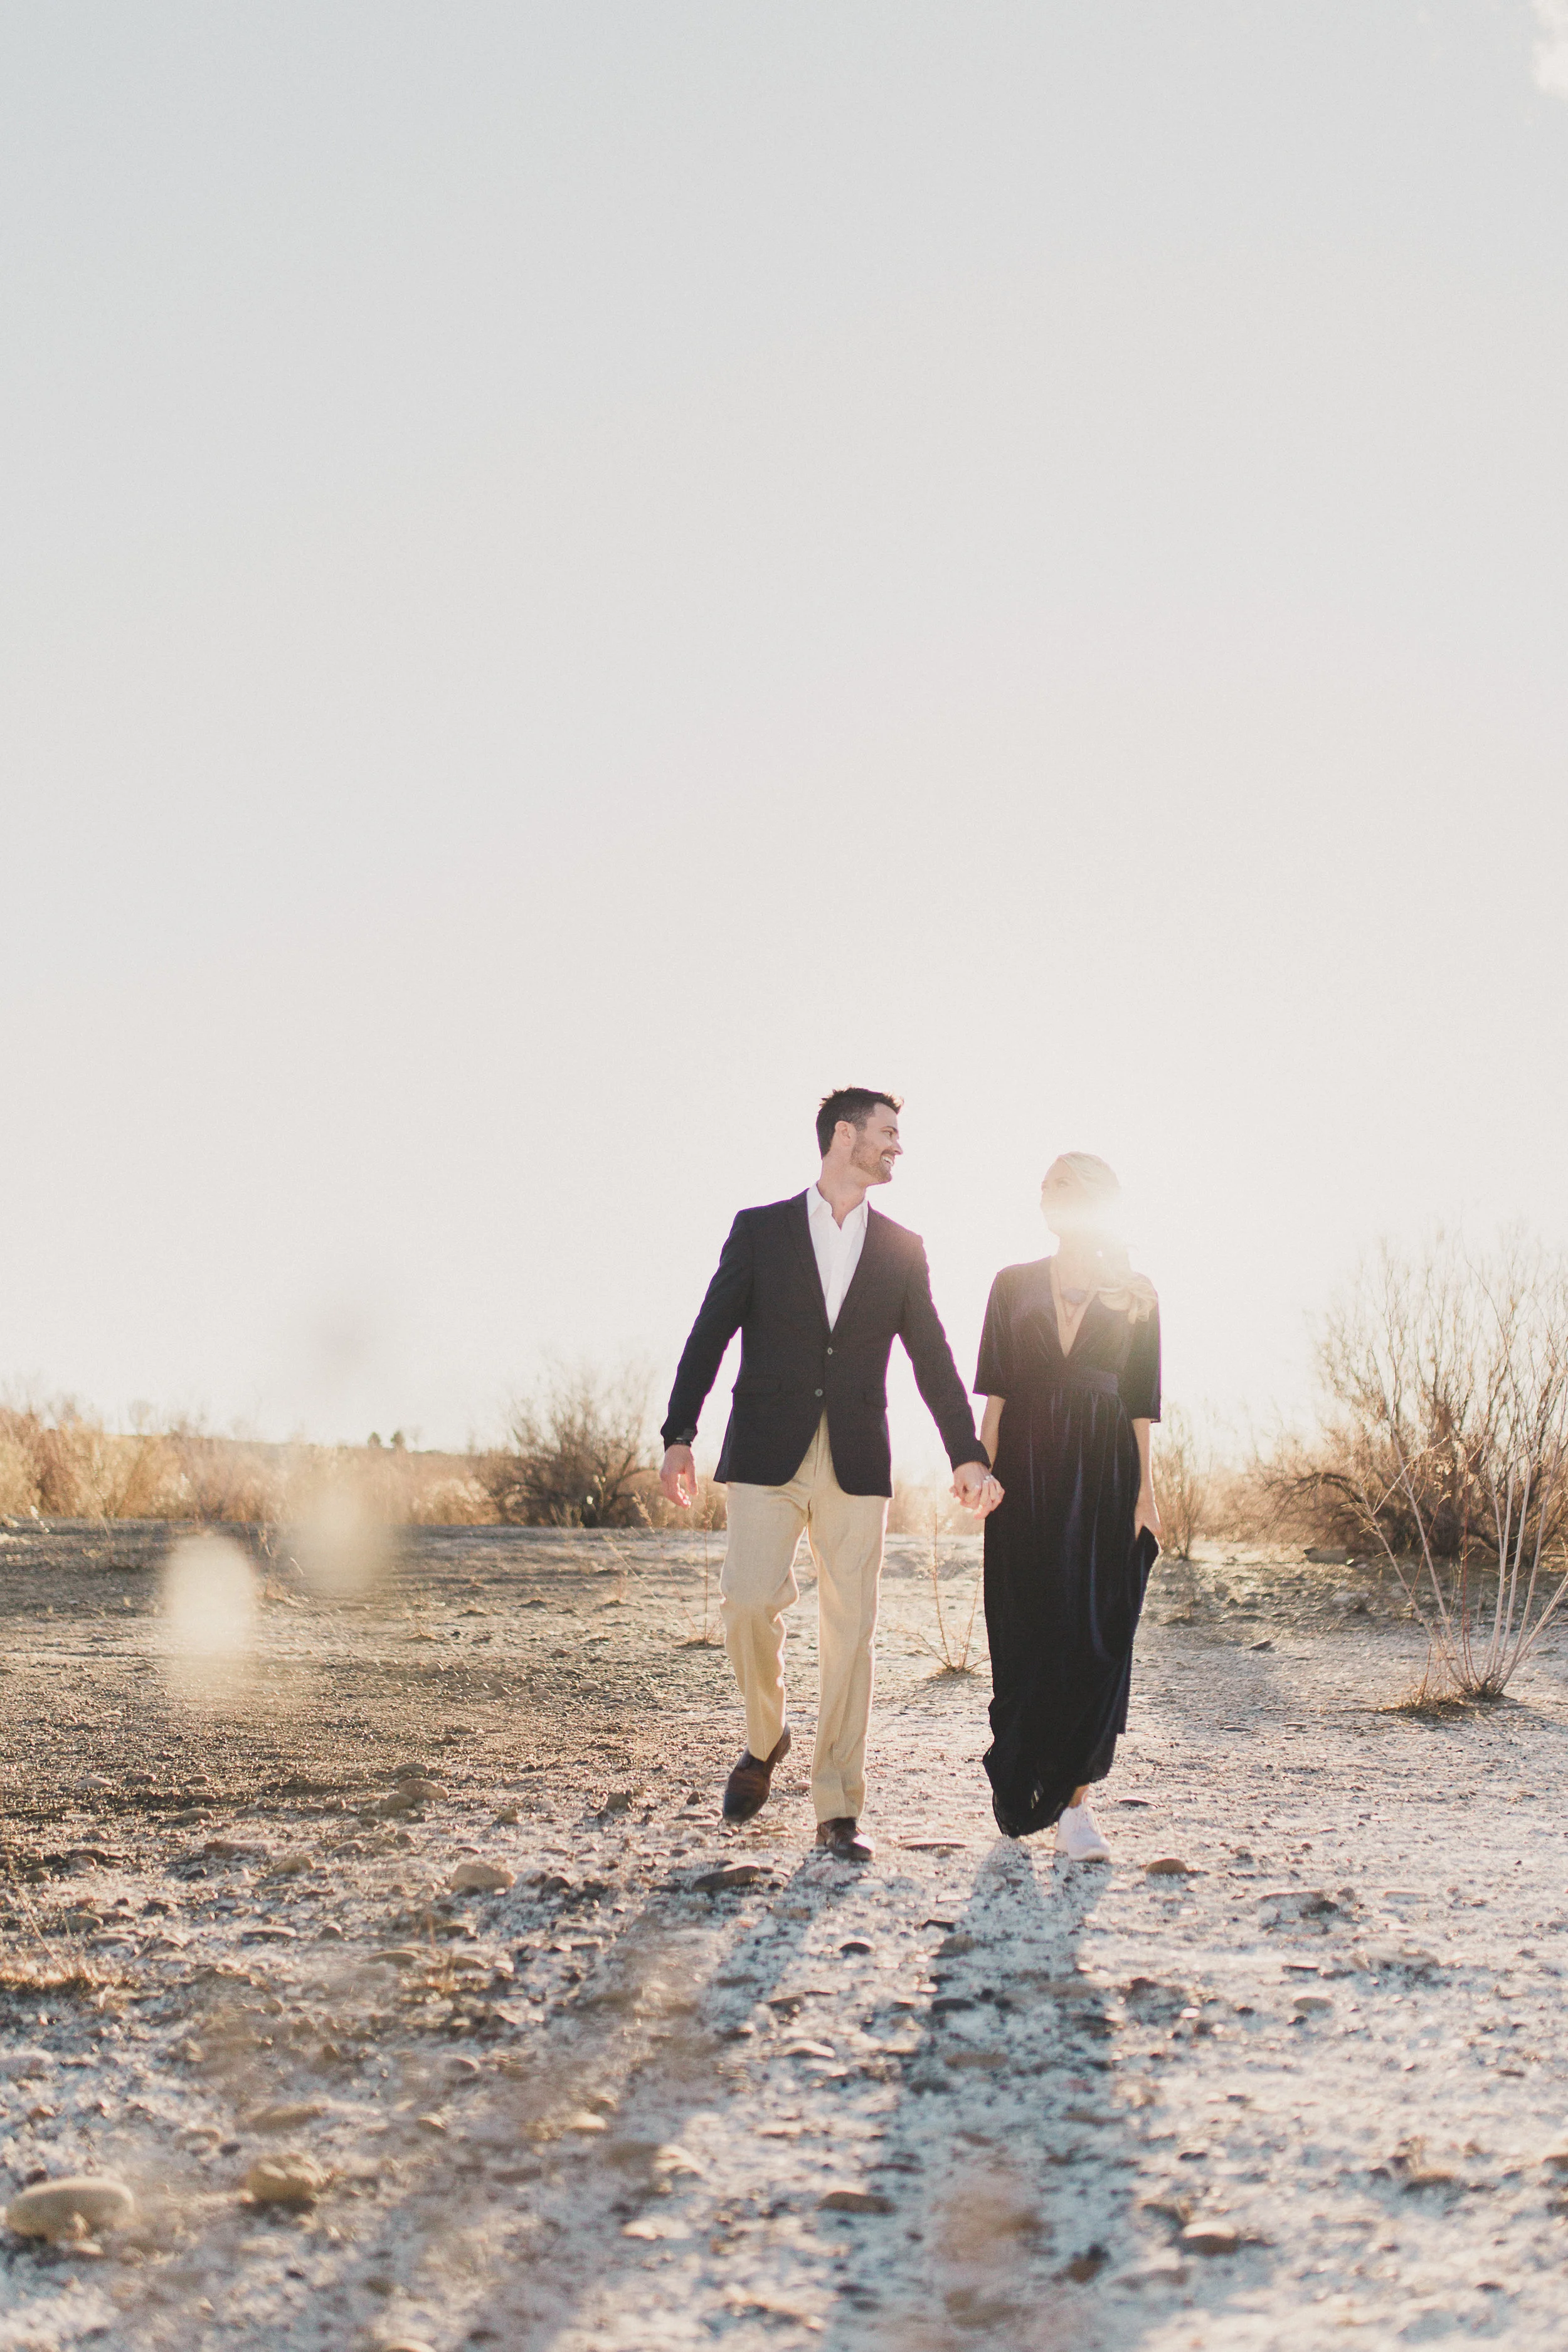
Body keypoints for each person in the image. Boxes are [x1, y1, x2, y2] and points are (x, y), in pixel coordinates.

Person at [659, 1088, 1000, 1862]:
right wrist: (680, 1433)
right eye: (886, 1134)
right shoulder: (760, 1231)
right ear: (843, 1136)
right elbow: (708, 1335)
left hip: (856, 1459)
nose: (897, 1148)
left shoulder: (902, 1249)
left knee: (851, 1633)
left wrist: (965, 1451)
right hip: (766, 1454)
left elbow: (932, 1357)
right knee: (746, 1602)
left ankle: (838, 1807)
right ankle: (765, 1736)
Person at [973, 1152, 1161, 1860]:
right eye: (1044, 1185)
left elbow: (1142, 1405)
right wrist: (981, 1472)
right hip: (1023, 1472)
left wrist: (1146, 1495)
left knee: (1091, 1636)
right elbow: (995, 1391)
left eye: (1063, 1186)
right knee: (1022, 1631)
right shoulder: (1010, 1284)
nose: (1047, 1195)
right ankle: (1019, 1780)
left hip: (1103, 1471)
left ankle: (1078, 1808)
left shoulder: (1137, 1293)